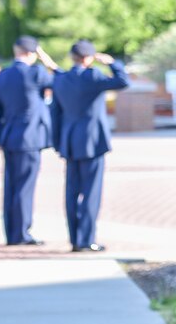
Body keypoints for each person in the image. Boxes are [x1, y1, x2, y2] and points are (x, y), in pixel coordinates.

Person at [51, 40, 129, 252]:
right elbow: (122, 81)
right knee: (91, 192)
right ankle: (87, 239)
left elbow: (55, 115)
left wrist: (58, 143)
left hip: (69, 141)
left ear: (72, 57)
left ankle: (75, 239)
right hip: (92, 142)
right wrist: (112, 63)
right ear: (89, 58)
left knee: (71, 193)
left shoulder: (60, 80)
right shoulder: (93, 76)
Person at [0, 36, 59, 245]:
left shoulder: (3, 75)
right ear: (33, 53)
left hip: (9, 137)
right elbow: (62, 80)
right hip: (29, 139)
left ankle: (12, 233)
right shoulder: (36, 72)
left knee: (11, 187)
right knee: (24, 187)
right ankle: (21, 234)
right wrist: (48, 62)